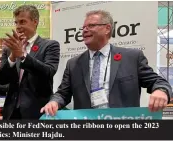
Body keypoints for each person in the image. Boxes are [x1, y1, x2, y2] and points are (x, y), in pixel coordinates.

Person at [41, 10, 172, 116]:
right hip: (87, 129)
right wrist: (54, 102)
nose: (84, 30)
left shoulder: (132, 57)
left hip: (123, 128)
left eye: (91, 26)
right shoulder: (73, 64)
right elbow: (63, 93)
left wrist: (161, 91)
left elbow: (158, 82)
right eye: (83, 27)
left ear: (107, 28)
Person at [0, 5, 60, 119]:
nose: (18, 26)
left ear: (35, 22)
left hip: (37, 111)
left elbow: (49, 71)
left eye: (22, 22)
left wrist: (23, 55)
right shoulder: (9, 49)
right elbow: (2, 80)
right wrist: (12, 57)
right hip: (11, 112)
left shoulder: (50, 45)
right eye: (16, 23)